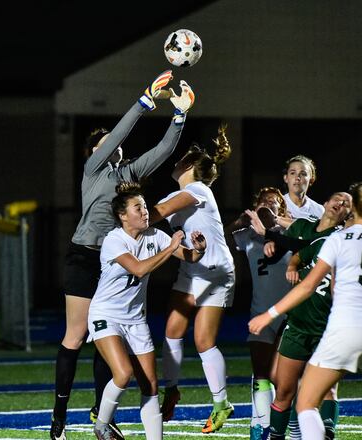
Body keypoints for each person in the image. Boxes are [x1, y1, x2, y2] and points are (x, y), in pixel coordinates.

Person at [50, 70, 195, 440]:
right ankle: (59, 417)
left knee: (107, 346)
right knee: (76, 335)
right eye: (102, 142)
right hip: (87, 257)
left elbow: (163, 152)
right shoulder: (92, 170)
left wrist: (179, 117)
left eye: (110, 141)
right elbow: (117, 135)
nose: (109, 143)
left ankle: (102, 414)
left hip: (113, 267)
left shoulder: (128, 173)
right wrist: (144, 101)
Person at [249, 181, 362, 440]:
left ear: (355, 208)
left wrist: (269, 315)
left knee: (305, 402)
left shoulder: (339, 238)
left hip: (343, 326)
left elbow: (309, 287)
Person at [89, 182, 206, 440]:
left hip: (135, 319)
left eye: (144, 206)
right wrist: (170, 248)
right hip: (106, 315)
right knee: (123, 373)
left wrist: (198, 249)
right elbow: (139, 269)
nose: (145, 212)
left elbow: (189, 257)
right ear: (123, 216)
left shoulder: (155, 235)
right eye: (138, 208)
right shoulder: (114, 240)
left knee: (151, 385)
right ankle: (102, 425)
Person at [150, 125, 235, 433]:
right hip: (191, 269)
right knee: (172, 331)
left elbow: (155, 214)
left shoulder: (197, 190)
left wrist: (128, 210)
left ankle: (221, 402)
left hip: (215, 272)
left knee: (203, 340)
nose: (174, 163)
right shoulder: (182, 193)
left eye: (179, 160)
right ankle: (171, 389)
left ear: (187, 165)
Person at [246, 191, 352, 440]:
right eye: (336, 198)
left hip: (328, 326)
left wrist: (272, 236)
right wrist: (290, 262)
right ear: (325, 203)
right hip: (298, 323)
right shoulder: (305, 228)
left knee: (327, 390)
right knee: (283, 390)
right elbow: (300, 248)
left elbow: (300, 245)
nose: (339, 204)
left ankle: (326, 433)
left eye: (346, 204)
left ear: (348, 216)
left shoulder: (340, 238)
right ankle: (277, 434)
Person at [228, 187, 292, 440]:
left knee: (281, 376)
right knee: (261, 372)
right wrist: (240, 221)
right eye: (263, 201)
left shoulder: (290, 231)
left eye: (274, 202)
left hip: (288, 313)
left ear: (281, 209)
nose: (268, 205)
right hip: (260, 311)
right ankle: (261, 425)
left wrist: (276, 222)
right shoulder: (247, 236)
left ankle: (283, 424)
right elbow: (220, 239)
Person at [282, 155, 324, 223]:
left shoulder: (320, 210)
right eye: (292, 173)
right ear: (286, 178)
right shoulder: (276, 205)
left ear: (311, 180)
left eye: (303, 174)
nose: (297, 177)